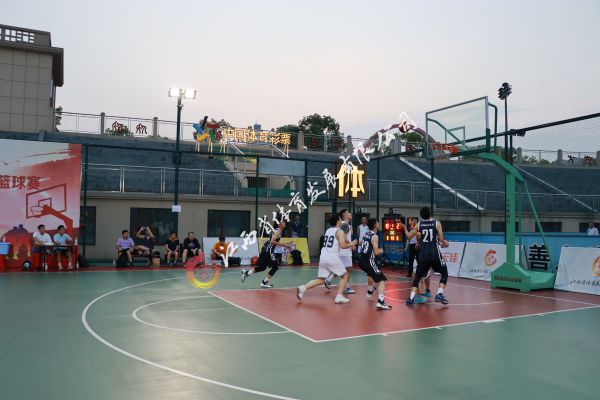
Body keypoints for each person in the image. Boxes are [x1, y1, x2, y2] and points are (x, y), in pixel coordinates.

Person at [296, 214, 357, 304]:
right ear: (337, 222)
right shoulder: (339, 231)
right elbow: (343, 246)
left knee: (321, 279)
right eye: (340, 220)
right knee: (345, 276)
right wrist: (352, 244)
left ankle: (303, 288)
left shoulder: (328, 230)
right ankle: (339, 296)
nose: (341, 221)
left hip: (323, 257)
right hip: (332, 257)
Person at [403, 207, 450, 305]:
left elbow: (409, 236)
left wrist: (404, 227)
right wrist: (444, 241)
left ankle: (411, 298)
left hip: (423, 255)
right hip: (434, 253)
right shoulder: (437, 223)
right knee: (444, 273)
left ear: (421, 215)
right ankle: (439, 294)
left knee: (417, 277)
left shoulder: (419, 224)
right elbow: (441, 239)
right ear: (430, 214)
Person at [241, 219, 292, 288]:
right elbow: (272, 241)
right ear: (280, 224)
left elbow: (271, 241)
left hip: (265, 249)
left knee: (262, 267)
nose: (284, 223)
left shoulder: (277, 230)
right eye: (283, 222)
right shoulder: (278, 231)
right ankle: (264, 282)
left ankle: (246, 273)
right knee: (275, 267)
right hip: (269, 250)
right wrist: (284, 245)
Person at [359, 218, 392, 310]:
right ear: (375, 225)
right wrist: (382, 250)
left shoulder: (366, 233)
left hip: (361, 260)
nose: (378, 223)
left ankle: (370, 291)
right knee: (382, 279)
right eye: (377, 222)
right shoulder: (375, 236)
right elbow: (376, 252)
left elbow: (361, 243)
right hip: (369, 260)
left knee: (371, 273)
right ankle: (381, 302)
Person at [324, 209, 355, 294]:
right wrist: (351, 245)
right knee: (348, 269)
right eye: (348, 212)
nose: (350, 213)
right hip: (344, 250)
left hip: (343, 250)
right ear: (344, 215)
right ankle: (345, 287)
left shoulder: (346, 224)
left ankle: (329, 280)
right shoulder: (344, 224)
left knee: (343, 268)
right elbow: (344, 237)